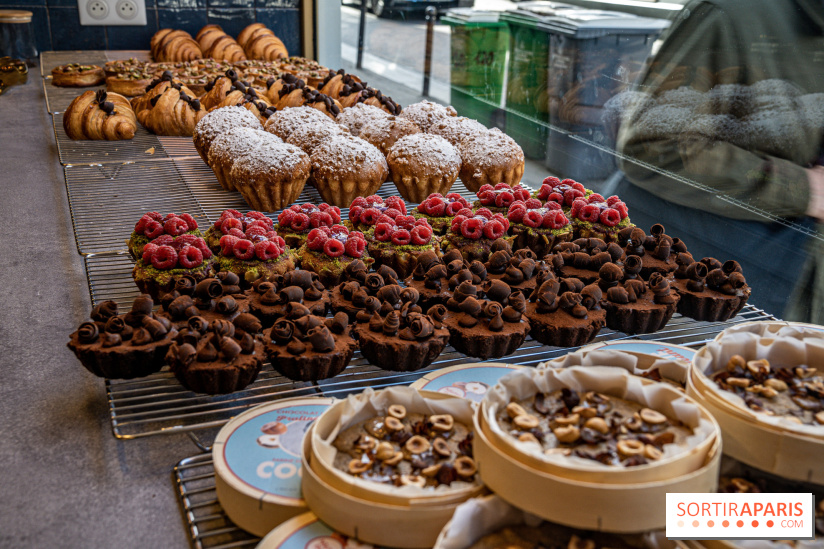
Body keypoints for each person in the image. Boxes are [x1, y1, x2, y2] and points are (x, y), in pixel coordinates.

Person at [615, 0, 824, 323]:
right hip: (704, 281)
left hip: (793, 281)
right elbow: (652, 145)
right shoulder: (730, 12)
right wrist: (801, 188)